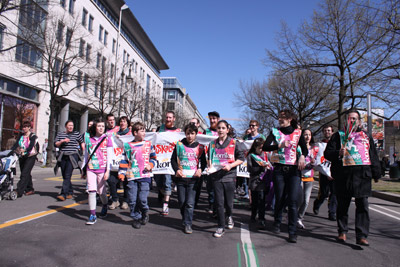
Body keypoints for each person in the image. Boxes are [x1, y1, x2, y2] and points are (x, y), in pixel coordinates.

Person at [325, 110, 381, 246]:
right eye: (349, 119)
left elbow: (372, 154)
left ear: (359, 121)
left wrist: (376, 172)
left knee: (363, 205)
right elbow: (327, 153)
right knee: (343, 205)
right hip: (344, 175)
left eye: (354, 119)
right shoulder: (338, 136)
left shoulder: (366, 136)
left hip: (362, 175)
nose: (352, 121)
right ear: (346, 121)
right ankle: (342, 231)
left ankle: (361, 235)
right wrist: (338, 152)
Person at [262, 109, 307, 243]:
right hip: (279, 169)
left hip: (293, 170)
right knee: (280, 197)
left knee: (293, 200)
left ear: (290, 119)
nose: (280, 120)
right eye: (279, 118)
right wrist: (279, 145)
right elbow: (265, 147)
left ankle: (292, 231)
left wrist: (303, 157)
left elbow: (304, 148)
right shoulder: (275, 132)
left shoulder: (298, 133)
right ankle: (277, 222)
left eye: (282, 118)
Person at [208, 120, 244, 238]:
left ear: (227, 130)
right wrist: (209, 167)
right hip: (216, 176)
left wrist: (230, 165)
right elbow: (210, 158)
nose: (221, 130)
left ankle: (229, 216)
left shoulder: (234, 143)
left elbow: (241, 159)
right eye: (219, 128)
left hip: (229, 176)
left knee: (228, 203)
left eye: (223, 128)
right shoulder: (212, 144)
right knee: (219, 203)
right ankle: (220, 227)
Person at [118, 122, 157, 229]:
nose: (144, 132)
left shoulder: (148, 144)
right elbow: (124, 160)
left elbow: (154, 158)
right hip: (132, 176)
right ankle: (136, 217)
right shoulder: (128, 146)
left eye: (145, 130)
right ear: (135, 132)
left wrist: (150, 164)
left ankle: (144, 212)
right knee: (132, 199)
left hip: (145, 176)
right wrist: (121, 173)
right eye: (142, 130)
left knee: (142, 199)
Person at [171, 123, 207, 234]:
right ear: (185, 134)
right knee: (182, 202)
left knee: (190, 203)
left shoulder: (200, 147)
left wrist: (200, 170)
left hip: (193, 179)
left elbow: (203, 162)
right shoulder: (179, 145)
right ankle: (185, 217)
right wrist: (176, 170)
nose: (190, 136)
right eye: (188, 133)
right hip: (181, 179)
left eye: (192, 133)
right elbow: (173, 160)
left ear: (196, 134)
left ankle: (188, 224)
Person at [83, 118, 113, 225]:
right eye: (99, 126)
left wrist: (108, 171)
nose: (101, 128)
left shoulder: (107, 139)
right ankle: (92, 214)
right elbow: (86, 155)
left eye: (103, 126)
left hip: (102, 169)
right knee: (91, 191)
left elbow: (110, 156)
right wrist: (83, 168)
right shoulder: (89, 139)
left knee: (102, 192)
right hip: (90, 168)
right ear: (95, 127)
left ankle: (105, 205)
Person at [155, 111, 181, 216]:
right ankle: (165, 193)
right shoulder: (159, 129)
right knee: (158, 182)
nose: (168, 119)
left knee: (167, 181)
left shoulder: (178, 131)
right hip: (159, 161)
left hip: (170, 161)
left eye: (170, 118)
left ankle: (166, 204)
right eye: (166, 117)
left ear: (174, 119)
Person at [55, 120, 85, 201]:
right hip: (63, 156)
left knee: (67, 175)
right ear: (66, 126)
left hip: (72, 156)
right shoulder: (60, 134)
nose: (71, 127)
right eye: (69, 125)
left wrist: (84, 150)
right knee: (65, 175)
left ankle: (63, 194)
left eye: (72, 125)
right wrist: (62, 141)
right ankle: (70, 191)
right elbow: (56, 143)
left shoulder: (76, 134)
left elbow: (82, 142)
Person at [313, 125, 337, 221]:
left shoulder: (336, 144)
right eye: (325, 130)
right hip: (324, 172)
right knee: (324, 193)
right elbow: (318, 159)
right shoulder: (319, 145)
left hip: (335, 173)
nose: (327, 132)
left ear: (332, 132)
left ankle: (332, 212)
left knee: (334, 193)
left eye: (329, 130)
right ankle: (317, 203)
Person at [108, 116, 132, 210]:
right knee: (112, 181)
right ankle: (115, 200)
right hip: (116, 162)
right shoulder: (114, 134)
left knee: (126, 182)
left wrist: (122, 139)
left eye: (124, 121)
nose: (122, 123)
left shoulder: (130, 134)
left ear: (127, 124)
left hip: (126, 163)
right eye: (121, 121)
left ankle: (125, 201)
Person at [247, 138, 271, 229]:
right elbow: (250, 169)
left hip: (263, 181)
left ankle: (261, 218)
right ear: (255, 147)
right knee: (255, 200)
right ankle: (253, 215)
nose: (261, 150)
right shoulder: (251, 156)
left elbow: (271, 164)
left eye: (263, 147)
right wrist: (261, 167)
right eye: (260, 148)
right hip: (254, 181)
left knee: (262, 200)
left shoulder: (266, 155)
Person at [10, 121, 38, 197]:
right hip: (22, 156)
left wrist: (25, 150)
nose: (24, 128)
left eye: (26, 127)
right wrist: (11, 151)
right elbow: (16, 144)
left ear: (29, 128)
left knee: (24, 174)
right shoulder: (21, 136)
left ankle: (19, 191)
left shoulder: (33, 136)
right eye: (23, 127)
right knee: (26, 173)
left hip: (31, 156)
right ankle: (30, 189)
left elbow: (31, 146)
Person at [297, 129, 317, 229]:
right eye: (305, 135)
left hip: (309, 177)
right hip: (299, 176)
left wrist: (313, 162)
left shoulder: (314, 148)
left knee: (306, 201)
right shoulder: (298, 148)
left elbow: (318, 161)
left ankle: (299, 218)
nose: (307, 137)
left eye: (309, 135)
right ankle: (293, 215)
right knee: (299, 199)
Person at [203, 111, 220, 215]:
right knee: (210, 185)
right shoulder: (206, 131)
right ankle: (211, 203)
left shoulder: (221, 130)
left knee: (217, 185)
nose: (212, 120)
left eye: (214, 118)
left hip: (219, 162)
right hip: (209, 161)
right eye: (211, 119)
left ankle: (216, 206)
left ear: (218, 119)